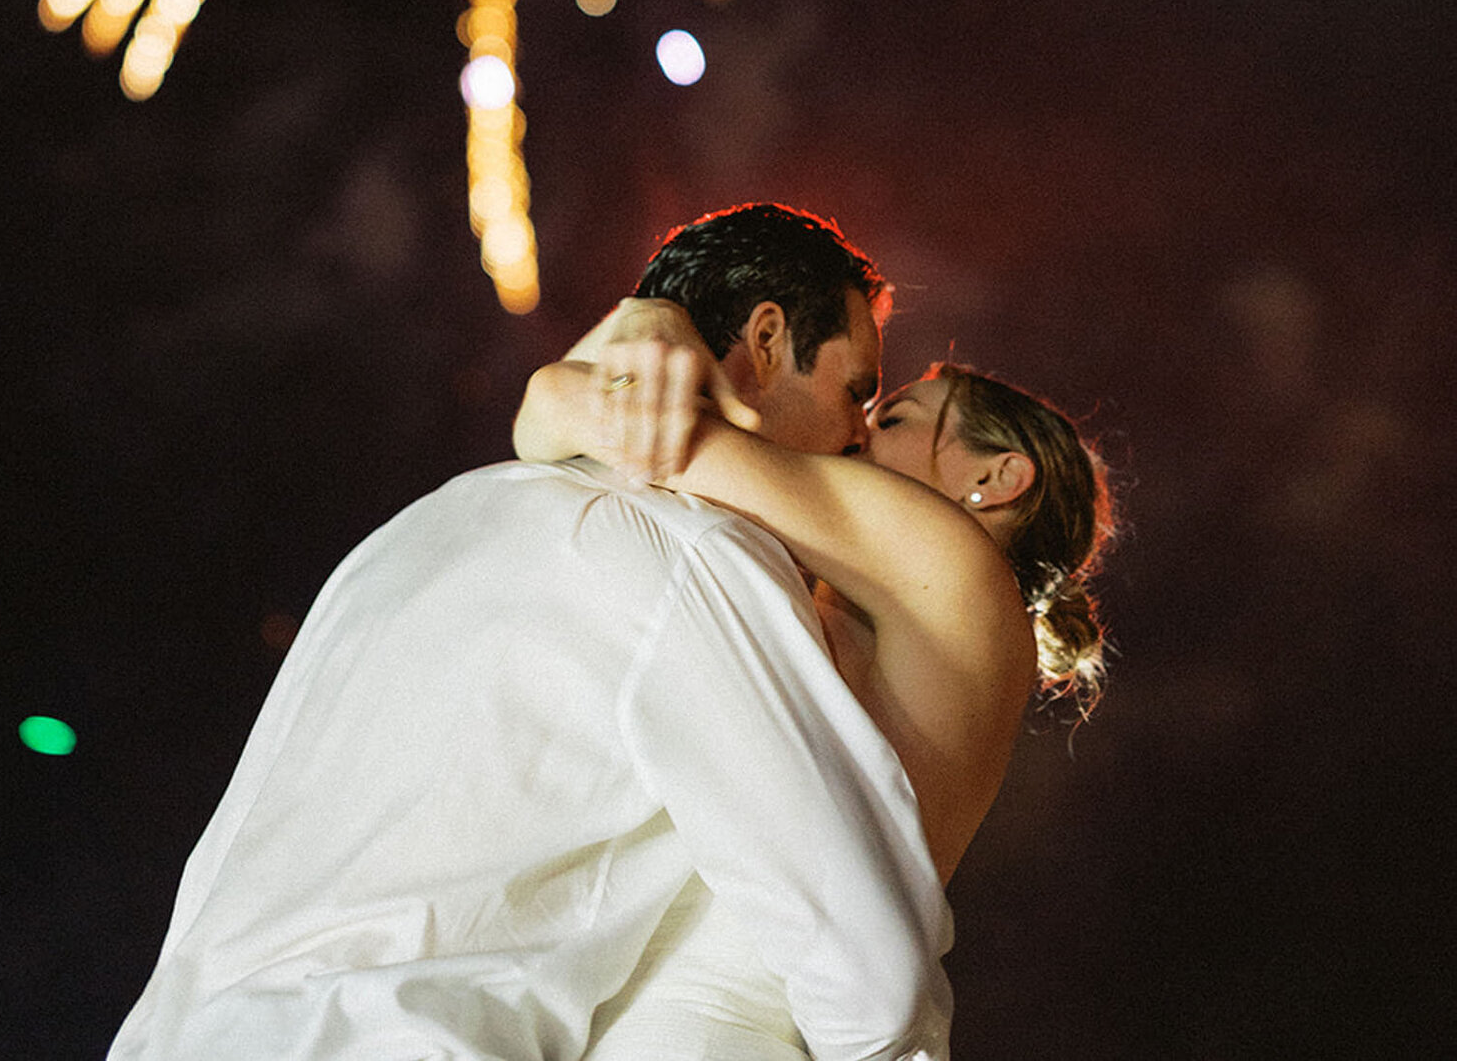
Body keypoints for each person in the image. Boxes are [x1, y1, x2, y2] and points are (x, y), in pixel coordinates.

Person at [106, 205, 952, 1061]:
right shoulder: (699, 553)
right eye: (857, 392)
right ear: (767, 340)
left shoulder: (417, 528)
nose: (856, 440)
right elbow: (871, 979)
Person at [513, 288, 1113, 1056]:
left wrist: (650, 330)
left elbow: (610, 424)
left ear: (997, 478)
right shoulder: (916, 603)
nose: (856, 429)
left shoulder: (950, 562)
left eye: (892, 418)